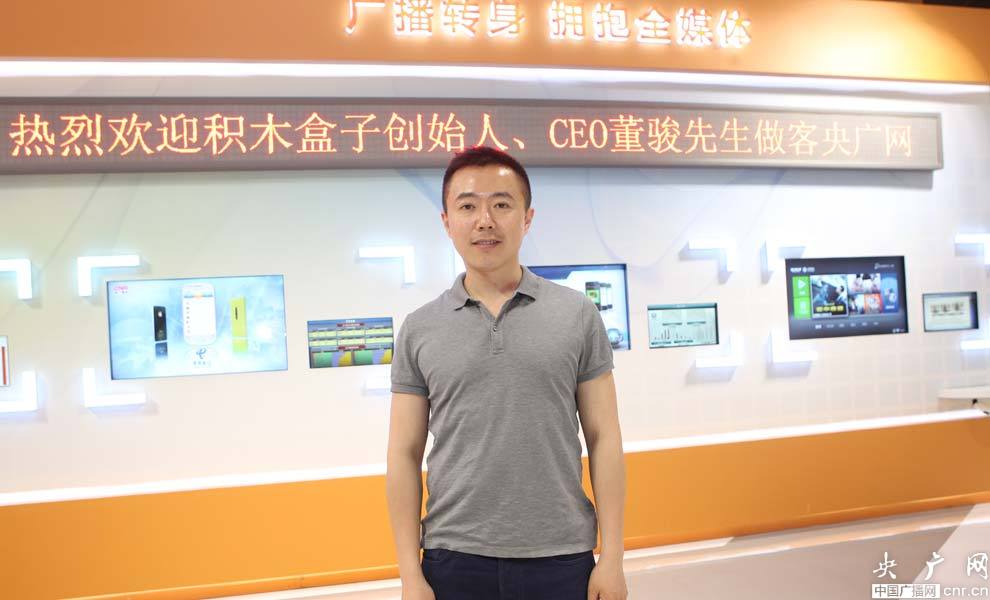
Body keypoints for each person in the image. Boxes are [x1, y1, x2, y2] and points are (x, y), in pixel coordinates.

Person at [385, 146, 628, 600]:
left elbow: (604, 437)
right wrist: (409, 574)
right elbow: (403, 453)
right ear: (447, 222)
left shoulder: (576, 313)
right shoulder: (420, 328)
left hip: (561, 554)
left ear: (527, 217)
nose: (485, 221)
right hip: (452, 556)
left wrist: (612, 556)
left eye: (501, 204)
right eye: (468, 206)